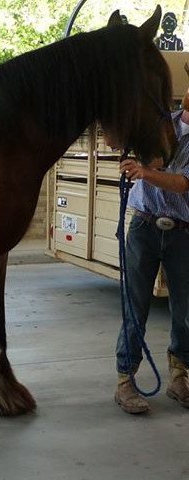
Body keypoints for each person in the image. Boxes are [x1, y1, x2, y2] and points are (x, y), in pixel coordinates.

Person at [113, 104, 189, 414]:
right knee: (135, 305)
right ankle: (125, 380)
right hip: (144, 225)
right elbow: (114, 141)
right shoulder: (156, 124)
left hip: (181, 233)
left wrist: (146, 172)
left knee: (184, 310)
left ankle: (179, 377)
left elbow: (184, 184)